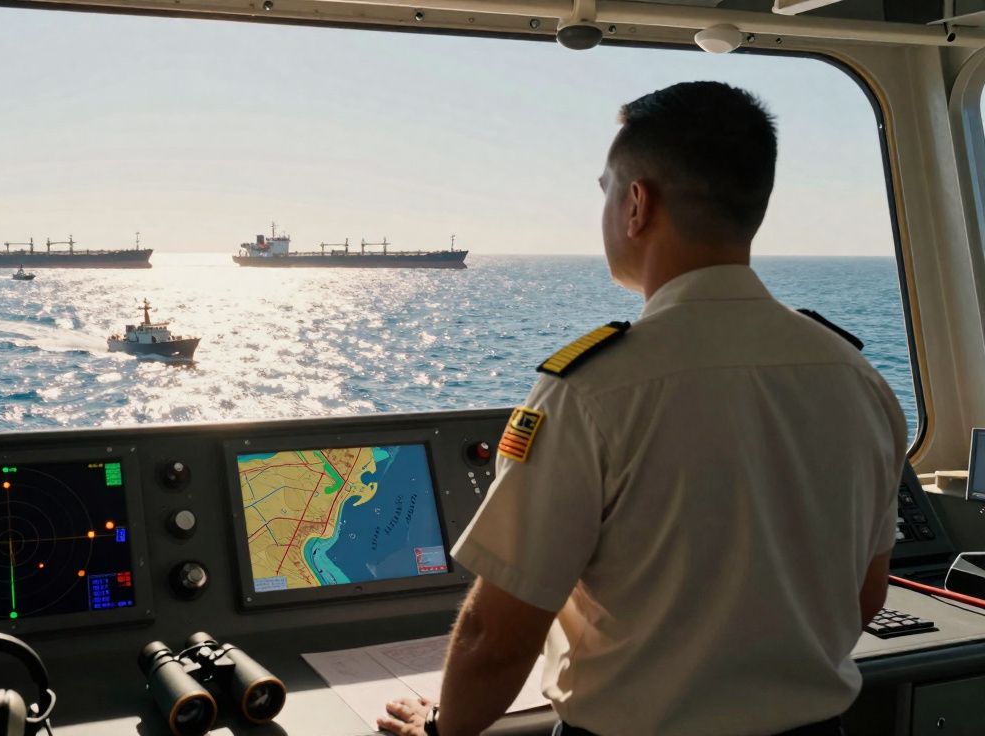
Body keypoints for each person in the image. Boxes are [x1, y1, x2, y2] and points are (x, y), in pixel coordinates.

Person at [377, 82, 906, 736]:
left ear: (636, 204)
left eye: (605, 191)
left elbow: (495, 638)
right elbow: (864, 596)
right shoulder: (859, 380)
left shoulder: (590, 391)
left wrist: (440, 729)